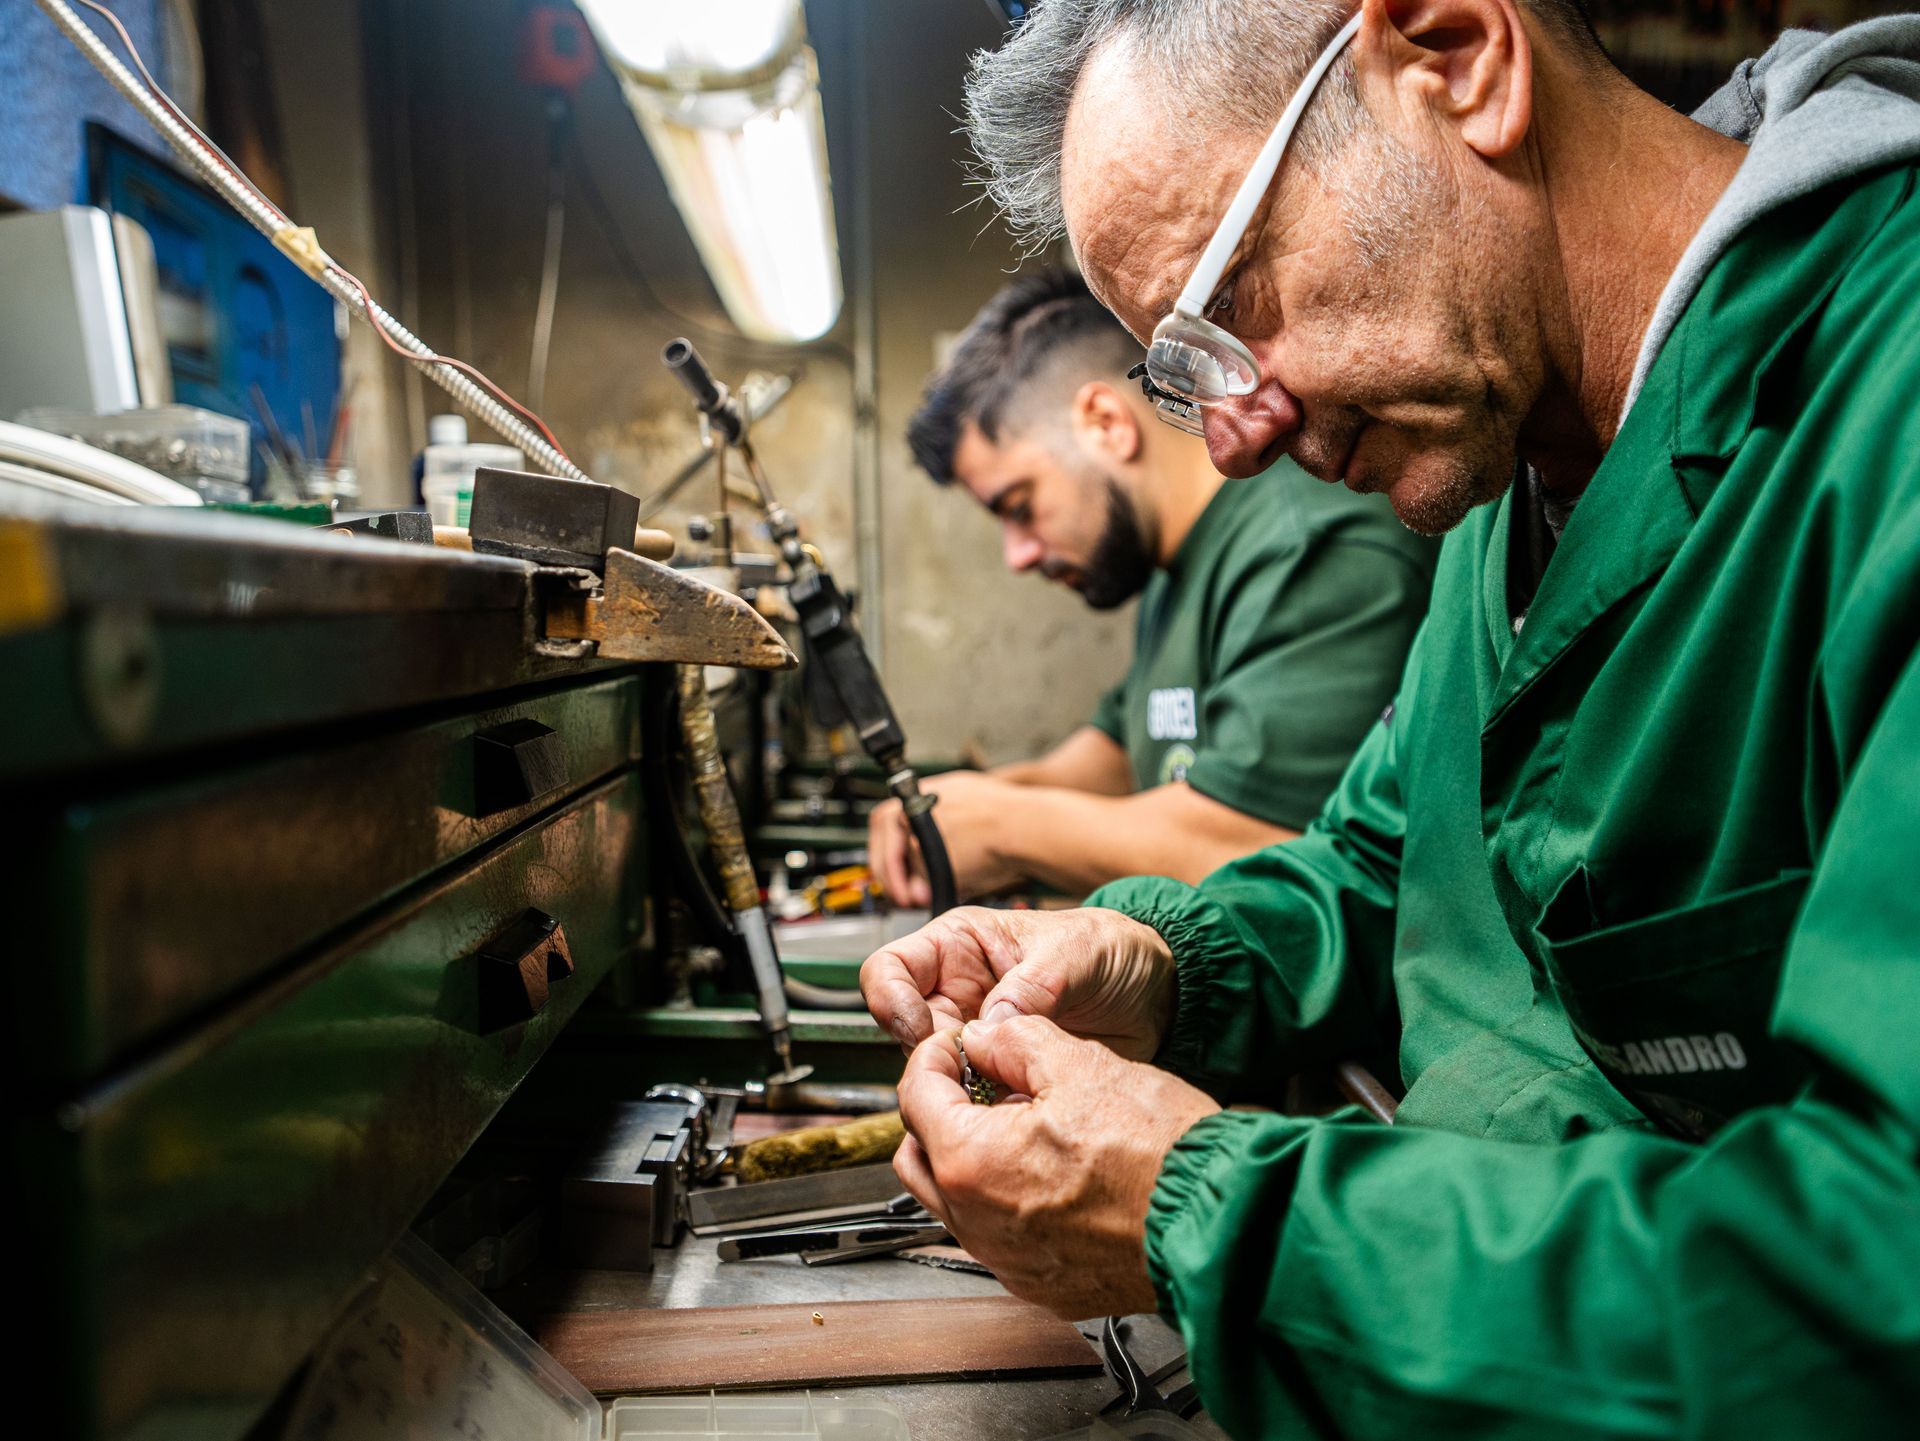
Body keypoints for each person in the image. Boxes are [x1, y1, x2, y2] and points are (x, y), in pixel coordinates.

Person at [860, 1, 1920, 1435]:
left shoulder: (1885, 410)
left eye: (1233, 310)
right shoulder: (1501, 494)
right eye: (1185, 373)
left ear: (1457, 57)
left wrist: (1217, 1220)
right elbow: (1384, 863)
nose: (1232, 439)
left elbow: (1877, 1284)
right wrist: (1157, 959)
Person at [868, 271, 1433, 904]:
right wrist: (960, 808)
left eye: (1019, 506)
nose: (1018, 555)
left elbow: (1261, 850)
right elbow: (1120, 756)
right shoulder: (1174, 563)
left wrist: (1003, 827)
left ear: (1106, 423)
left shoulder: (1308, 548)